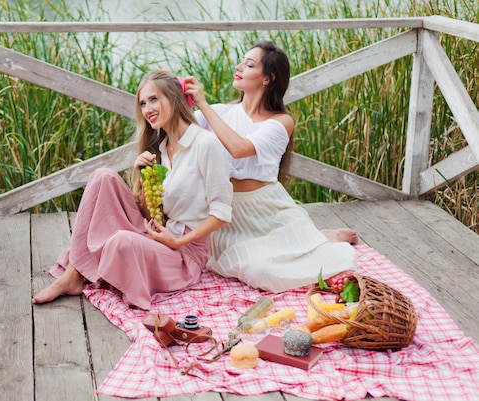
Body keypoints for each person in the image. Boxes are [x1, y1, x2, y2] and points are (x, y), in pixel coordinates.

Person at [32, 69, 233, 310]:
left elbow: (222, 214)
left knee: (121, 241)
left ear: (175, 98)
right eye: (143, 103)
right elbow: (154, 213)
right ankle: (74, 273)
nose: (147, 109)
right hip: (159, 233)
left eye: (154, 99)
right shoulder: (162, 146)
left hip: (184, 254)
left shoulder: (206, 144)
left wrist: (179, 242)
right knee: (102, 176)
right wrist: (142, 179)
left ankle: (81, 271)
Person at [183, 40, 359, 293]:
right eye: (242, 61)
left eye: (249, 64)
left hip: (266, 211)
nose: (239, 66)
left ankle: (321, 239)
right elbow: (178, 135)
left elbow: (240, 148)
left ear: (267, 78)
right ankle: (315, 237)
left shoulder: (280, 122)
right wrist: (170, 93)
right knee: (255, 269)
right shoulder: (219, 112)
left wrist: (202, 104)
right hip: (226, 212)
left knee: (279, 271)